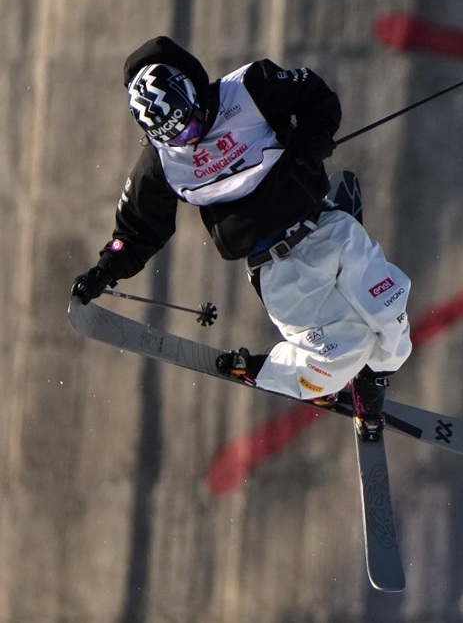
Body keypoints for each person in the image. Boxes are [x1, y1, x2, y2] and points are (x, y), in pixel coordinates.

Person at [71, 36, 412, 440]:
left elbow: (316, 95)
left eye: (191, 124)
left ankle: (372, 383)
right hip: (277, 267)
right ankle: (264, 370)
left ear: (193, 94)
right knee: (341, 350)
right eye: (174, 137)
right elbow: (137, 230)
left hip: (325, 226)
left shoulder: (248, 89)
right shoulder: (160, 164)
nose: (189, 139)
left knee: (391, 315)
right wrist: (105, 270)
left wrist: (314, 136)